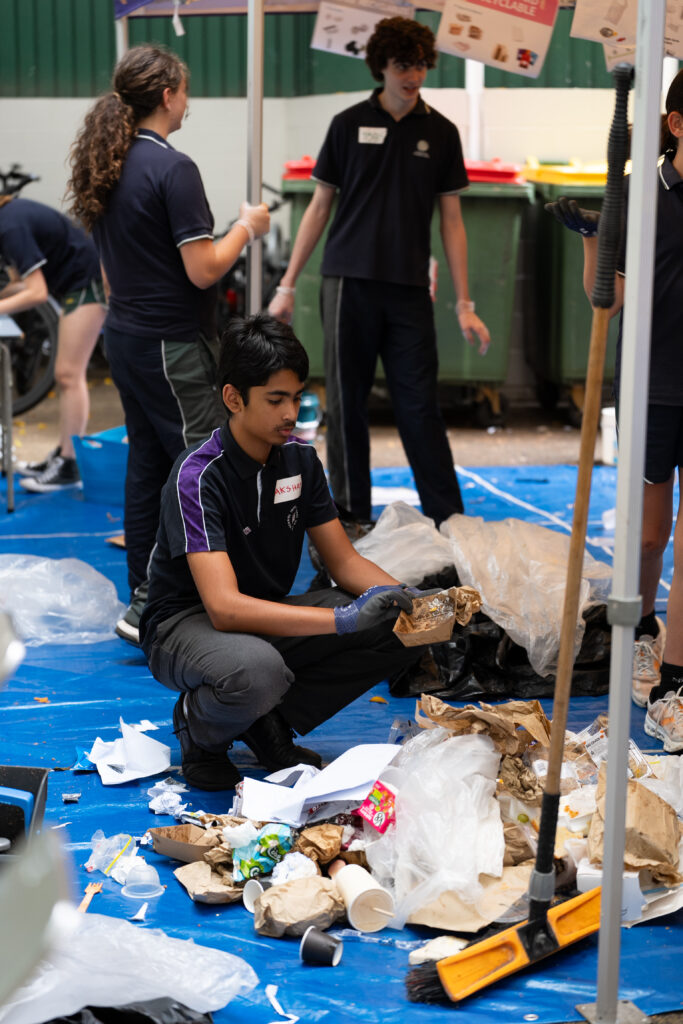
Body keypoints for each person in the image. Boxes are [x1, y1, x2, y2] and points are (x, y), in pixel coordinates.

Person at [139, 314, 432, 790]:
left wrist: (412, 601)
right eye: (276, 400)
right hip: (186, 625)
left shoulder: (299, 462)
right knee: (258, 670)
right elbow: (225, 608)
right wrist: (343, 619)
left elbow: (345, 562)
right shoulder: (198, 477)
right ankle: (200, 726)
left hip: (262, 618)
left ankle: (265, 722)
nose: (291, 413)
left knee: (398, 626)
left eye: (297, 397)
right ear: (234, 398)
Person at [67, 44, 269, 647]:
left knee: (149, 466)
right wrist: (246, 228)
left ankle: (147, 599)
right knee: (201, 467)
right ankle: (156, 603)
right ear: (167, 95)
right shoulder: (172, 167)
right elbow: (203, 269)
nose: (190, 101)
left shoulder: (110, 160)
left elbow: (110, 268)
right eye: (186, 90)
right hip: (170, 344)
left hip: (127, 337)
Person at [268, 16, 490, 528]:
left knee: (420, 407)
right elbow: (319, 207)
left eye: (420, 65)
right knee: (348, 408)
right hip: (349, 284)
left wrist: (465, 303)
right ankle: (349, 519)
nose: (412, 76)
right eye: (401, 66)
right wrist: (285, 287)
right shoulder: (346, 124)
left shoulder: (441, 132)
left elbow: (452, 223)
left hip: (411, 288)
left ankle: (448, 519)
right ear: (381, 67)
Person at [545, 68, 683, 753]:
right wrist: (591, 239)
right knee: (651, 534)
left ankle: (673, 687)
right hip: (653, 386)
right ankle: (644, 639)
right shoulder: (640, 194)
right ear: (677, 123)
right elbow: (608, 300)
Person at [0, 195, 106, 491]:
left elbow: (36, 292)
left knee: (69, 375)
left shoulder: (9, 228)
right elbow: (20, 284)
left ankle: (69, 465)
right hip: (80, 281)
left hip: (87, 283)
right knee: (68, 375)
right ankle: (63, 454)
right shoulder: (8, 220)